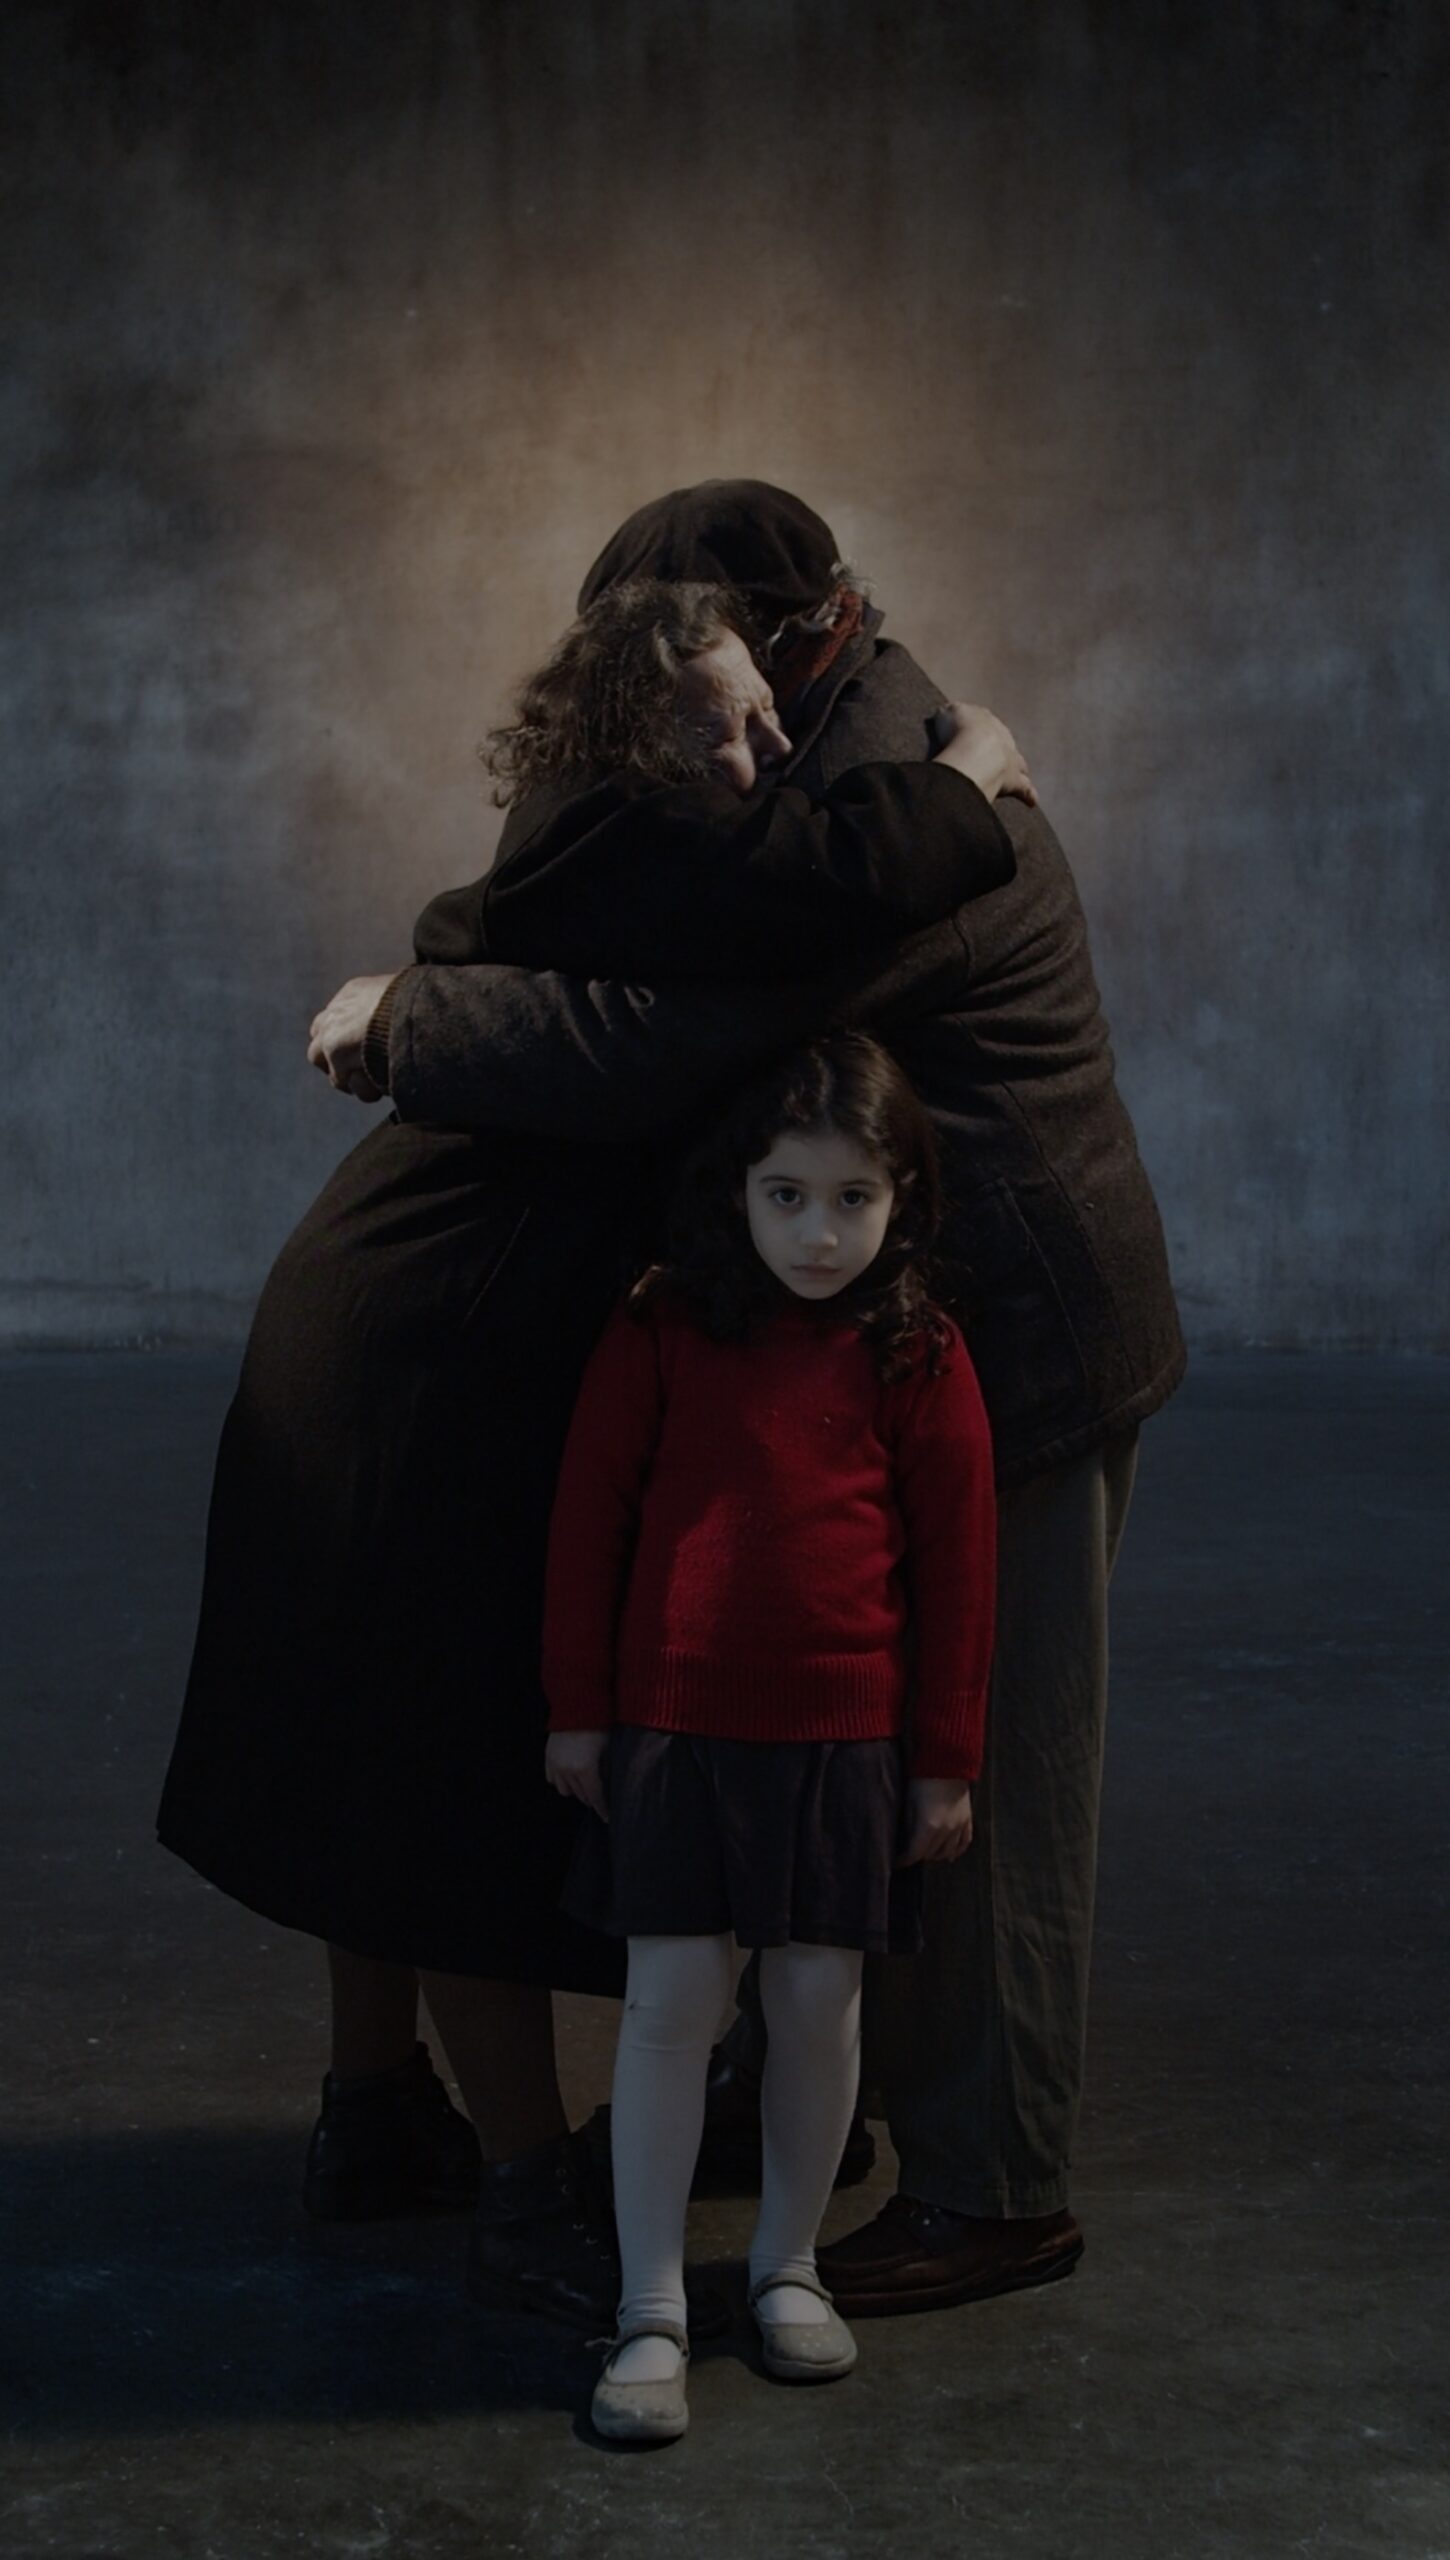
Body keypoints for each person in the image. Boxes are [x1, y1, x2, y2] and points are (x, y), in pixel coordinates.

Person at [308, 480, 1186, 2317]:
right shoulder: (794, 778)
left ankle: (995, 2189)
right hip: (892, 1323)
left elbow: (674, 1031)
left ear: (799, 638)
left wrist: (410, 1020)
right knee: (861, 1759)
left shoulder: (911, 800)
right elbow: (611, 906)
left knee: (982, 1783)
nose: (692, 738)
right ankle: (813, 2099)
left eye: (702, 688)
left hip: (1014, 1335)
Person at [157, 571, 1031, 2329]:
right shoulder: (661, 859)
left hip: (385, 1301)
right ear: (622, 745)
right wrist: (972, 782)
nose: (753, 759)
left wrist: (409, 1003)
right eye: (710, 726)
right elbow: (771, 969)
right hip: (424, 1338)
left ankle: (371, 2114)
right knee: (447, 1786)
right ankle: (521, 2187)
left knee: (378, 1752)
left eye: (763, 721)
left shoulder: (607, 846)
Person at [542, 1033, 996, 2443]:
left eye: (853, 1199)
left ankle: (786, 2265)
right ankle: (650, 2306)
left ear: (901, 1200)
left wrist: (944, 1757)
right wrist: (577, 1709)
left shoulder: (917, 1347)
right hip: (675, 1733)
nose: (817, 1233)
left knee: (813, 2005)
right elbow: (589, 1519)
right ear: (736, 1190)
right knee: (670, 2007)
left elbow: (960, 1563)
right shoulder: (664, 1324)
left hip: (843, 1744)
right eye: (786, 1196)